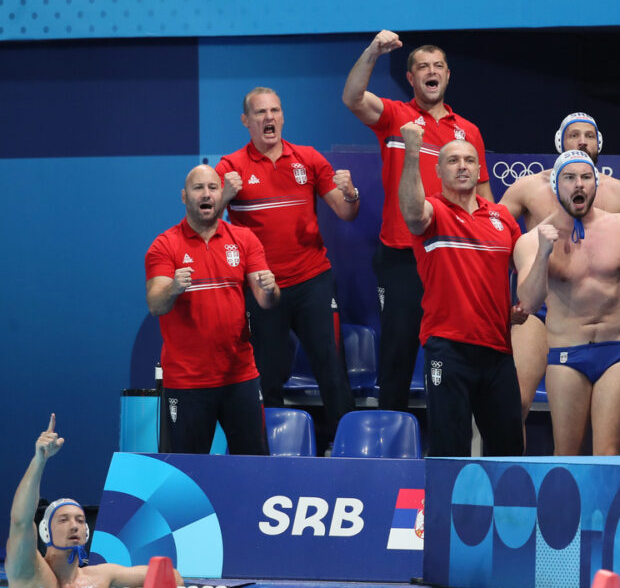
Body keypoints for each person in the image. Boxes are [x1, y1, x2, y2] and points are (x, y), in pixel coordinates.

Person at [343, 30, 492, 413]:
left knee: (451, 352)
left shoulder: (468, 132)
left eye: (438, 66)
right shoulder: (395, 116)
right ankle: (391, 435)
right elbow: (352, 98)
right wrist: (373, 51)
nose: (431, 72)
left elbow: (484, 198)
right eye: (423, 67)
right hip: (402, 256)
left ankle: (448, 435)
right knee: (398, 352)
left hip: (450, 256)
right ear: (411, 78)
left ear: (447, 75)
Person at [499, 112, 620, 425]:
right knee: (516, 402)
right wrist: (497, 307)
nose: (582, 141)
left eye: (589, 136)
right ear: (560, 142)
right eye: (574, 135)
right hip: (539, 311)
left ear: (599, 143)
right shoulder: (527, 188)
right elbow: (492, 240)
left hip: (595, 320)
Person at [217, 87, 358, 438]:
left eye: (275, 111)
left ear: (282, 116)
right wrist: (224, 197)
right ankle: (270, 449)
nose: (269, 118)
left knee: (331, 366)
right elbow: (206, 224)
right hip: (262, 287)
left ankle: (346, 445)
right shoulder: (230, 167)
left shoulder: (308, 158)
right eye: (260, 112)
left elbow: (346, 212)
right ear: (245, 120)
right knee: (268, 372)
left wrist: (352, 193)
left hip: (313, 280)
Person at [398, 121, 523, 456]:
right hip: (448, 347)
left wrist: (523, 302)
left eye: (469, 160)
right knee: (449, 449)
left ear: (479, 170)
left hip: (498, 350)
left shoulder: (501, 217)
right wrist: (412, 152)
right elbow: (412, 212)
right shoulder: (433, 211)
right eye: (452, 161)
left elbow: (523, 269)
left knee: (509, 450)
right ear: (438, 171)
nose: (462, 166)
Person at [146, 164, 278, 454]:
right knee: (187, 471)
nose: (206, 194)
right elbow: (156, 304)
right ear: (184, 196)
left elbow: (266, 301)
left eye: (213, 187)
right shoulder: (164, 245)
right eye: (198, 188)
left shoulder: (244, 239)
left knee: (254, 466)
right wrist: (173, 288)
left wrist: (270, 289)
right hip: (186, 381)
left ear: (221, 194)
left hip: (240, 377)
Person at [6, 414, 184, 587]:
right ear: (45, 531)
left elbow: (172, 576)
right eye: (63, 520)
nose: (74, 526)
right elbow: (20, 522)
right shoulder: (30, 572)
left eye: (80, 520)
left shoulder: (101, 577)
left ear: (86, 532)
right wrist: (39, 461)